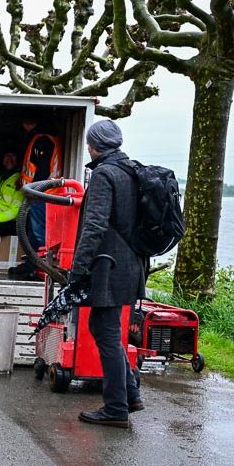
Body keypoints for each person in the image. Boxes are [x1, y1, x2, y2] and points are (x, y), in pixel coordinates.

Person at [70, 119, 147, 428]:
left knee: (105, 332)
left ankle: (116, 409)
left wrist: (78, 267)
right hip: (132, 264)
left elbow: (95, 225)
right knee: (108, 329)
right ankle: (130, 395)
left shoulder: (104, 174)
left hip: (109, 265)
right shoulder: (131, 170)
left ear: (93, 145)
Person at [11, 120, 63, 279]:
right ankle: (31, 265)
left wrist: (33, 189)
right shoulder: (49, 138)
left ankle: (41, 269)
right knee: (33, 232)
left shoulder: (42, 140)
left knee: (39, 233)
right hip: (43, 193)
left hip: (41, 193)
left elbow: (41, 169)